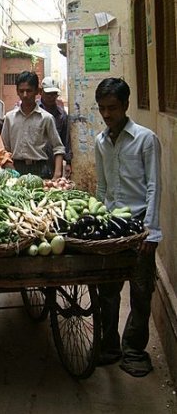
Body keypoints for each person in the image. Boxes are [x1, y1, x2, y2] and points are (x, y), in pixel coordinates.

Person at [94, 77, 162, 377]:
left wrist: (152, 230)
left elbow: (154, 187)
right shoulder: (100, 142)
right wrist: (96, 219)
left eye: (112, 108)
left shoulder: (146, 140)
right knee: (107, 290)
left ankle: (134, 349)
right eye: (102, 109)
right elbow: (102, 188)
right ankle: (109, 346)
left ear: (125, 105)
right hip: (111, 226)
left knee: (141, 290)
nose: (107, 115)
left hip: (139, 227)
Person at [1, 71, 65, 179]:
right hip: (15, 168)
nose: (25, 95)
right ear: (17, 91)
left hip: (40, 169)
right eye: (21, 91)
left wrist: (57, 175)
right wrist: (11, 170)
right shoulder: (9, 118)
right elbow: (4, 149)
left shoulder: (46, 118)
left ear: (37, 91)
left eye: (29, 91)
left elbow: (58, 148)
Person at [39, 76, 73, 178]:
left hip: (53, 162)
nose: (51, 97)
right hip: (37, 160)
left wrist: (68, 162)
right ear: (41, 92)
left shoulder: (62, 115)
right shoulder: (34, 111)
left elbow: (65, 139)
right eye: (48, 94)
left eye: (54, 94)